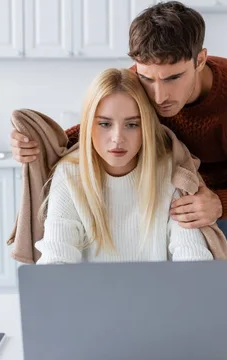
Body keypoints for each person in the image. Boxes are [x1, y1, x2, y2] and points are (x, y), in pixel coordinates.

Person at [11, 1, 227, 288]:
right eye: (146, 78)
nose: (157, 96)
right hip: (178, 185)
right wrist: (40, 145)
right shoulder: (141, 81)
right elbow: (99, 123)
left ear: (200, 59)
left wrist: (220, 204)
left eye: (173, 78)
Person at [35, 68, 214, 264]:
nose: (118, 138)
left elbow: (192, 254)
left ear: (146, 127)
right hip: (90, 294)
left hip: (157, 293)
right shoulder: (69, 174)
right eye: (104, 124)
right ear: (88, 125)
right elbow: (56, 257)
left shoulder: (170, 172)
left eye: (132, 125)